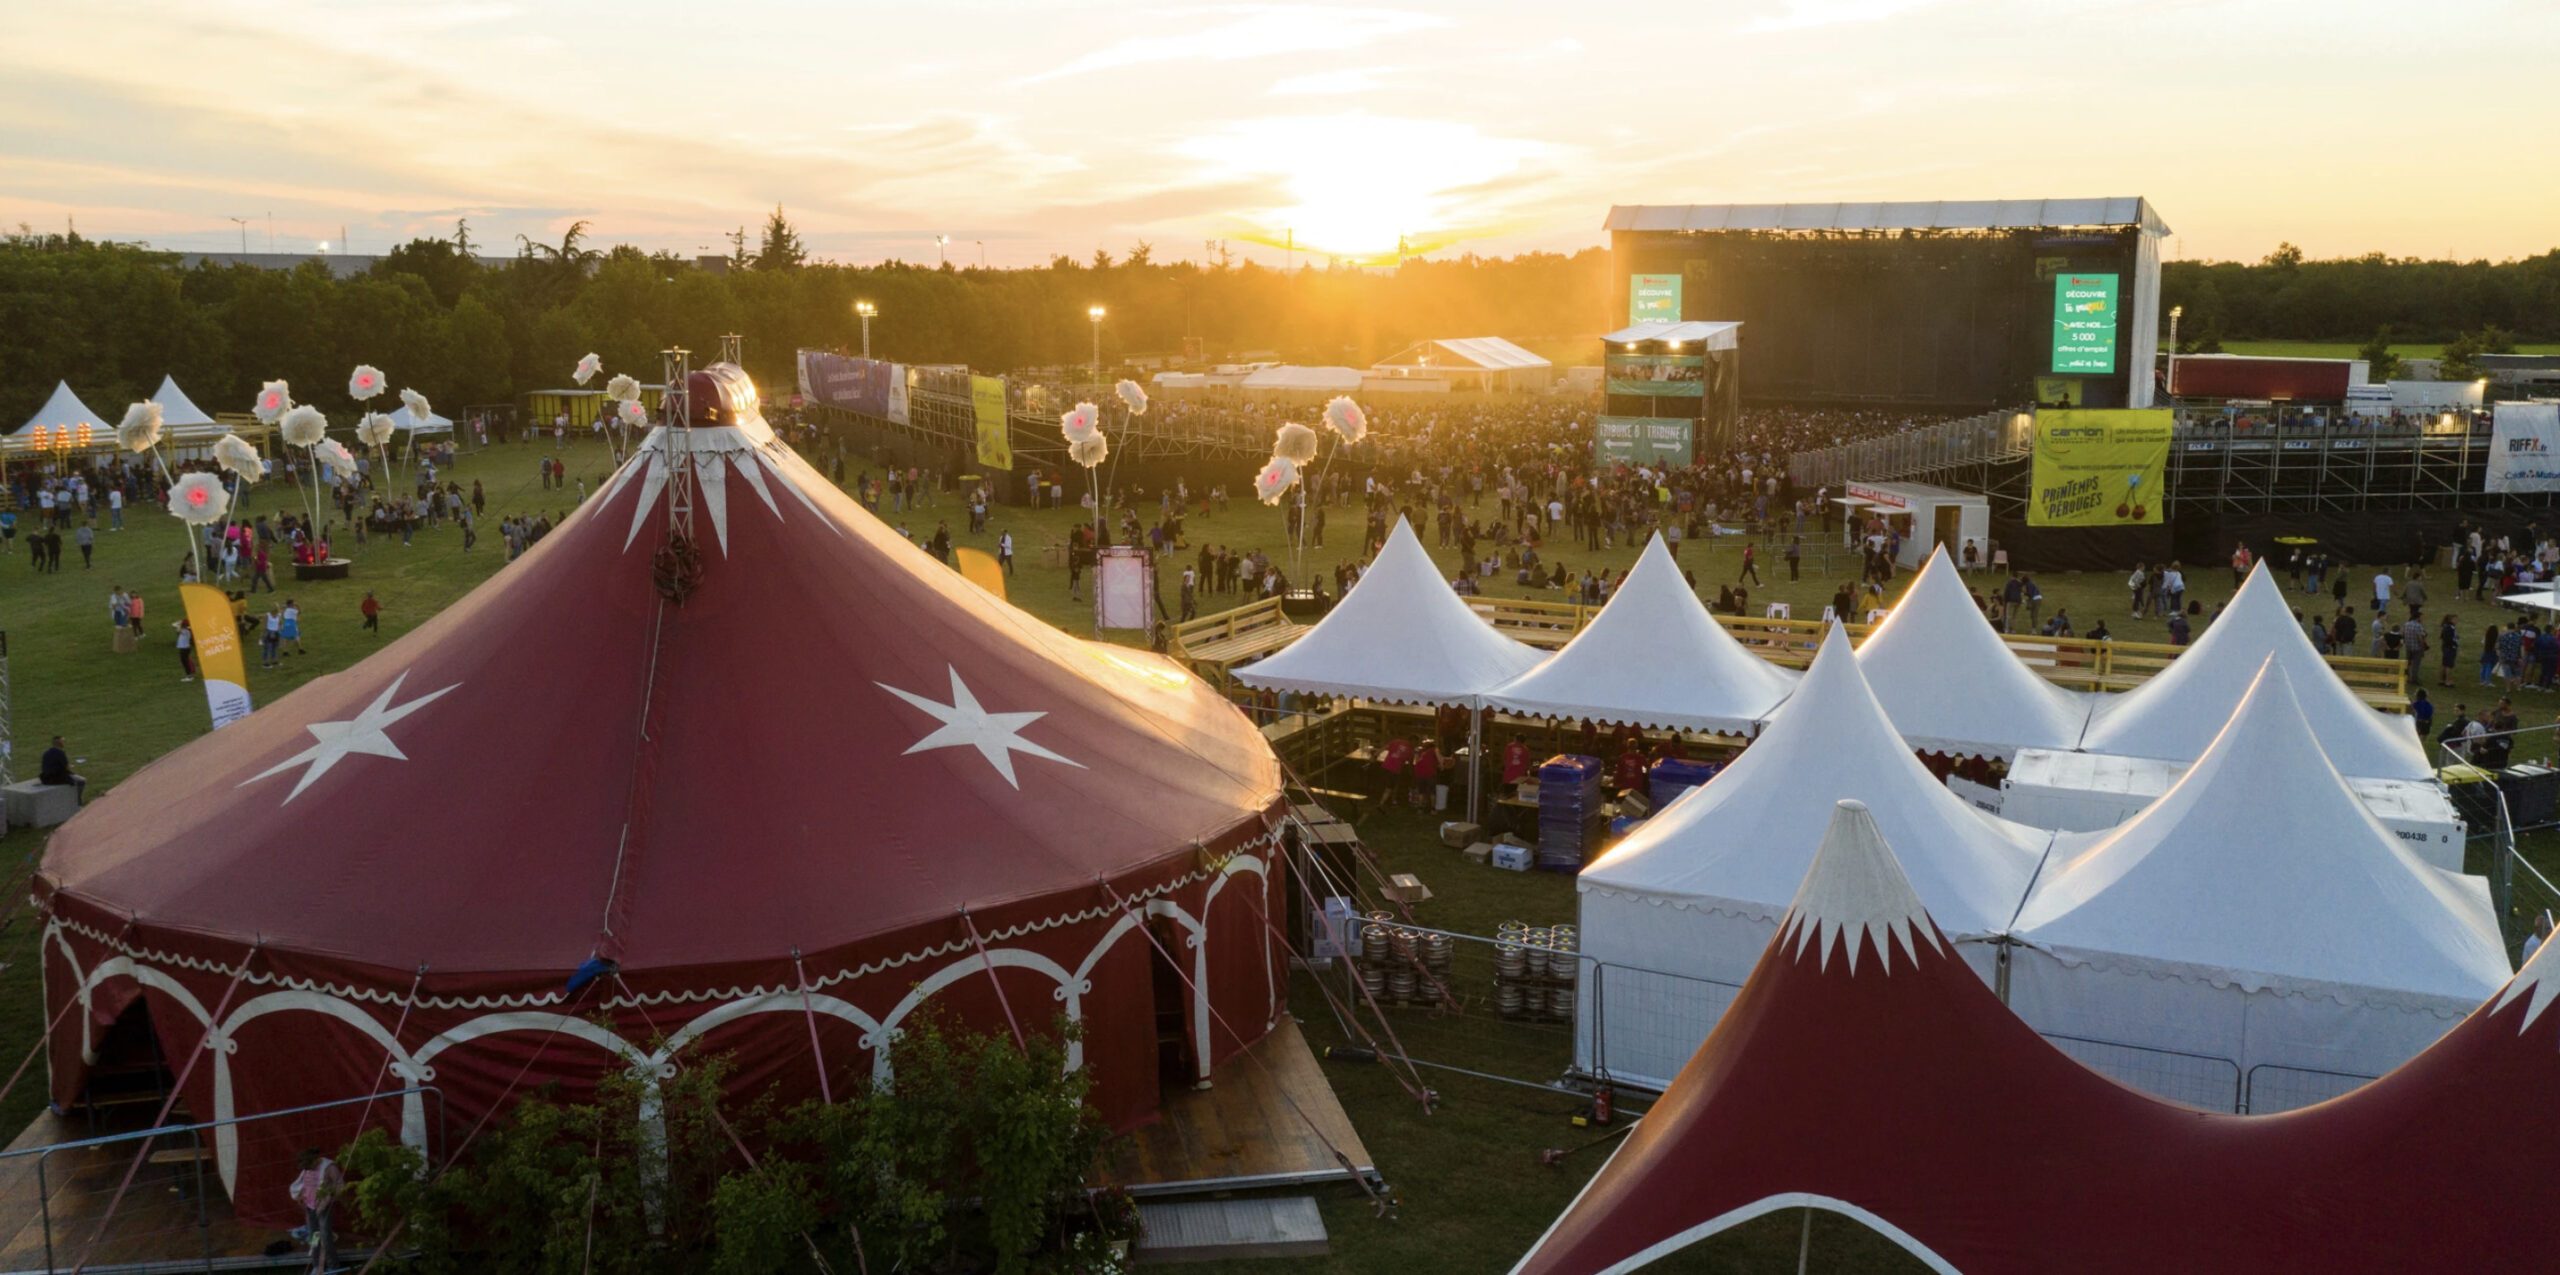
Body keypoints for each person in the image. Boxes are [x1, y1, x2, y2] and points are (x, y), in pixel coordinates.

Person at [288, 1147, 342, 1268]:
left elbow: (339, 1185)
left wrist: (330, 1196)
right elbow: (305, 1183)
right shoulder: (308, 1167)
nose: (309, 1169)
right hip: (310, 1206)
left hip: (323, 1207)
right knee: (314, 1235)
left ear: (315, 1160)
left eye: (309, 1166)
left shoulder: (329, 1167)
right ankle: (317, 1265)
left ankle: (333, 1266)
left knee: (325, 1236)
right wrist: (301, 1195)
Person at [38, 736, 84, 805]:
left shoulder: (46, 753)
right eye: (63, 741)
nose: (64, 743)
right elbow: (66, 768)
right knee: (81, 781)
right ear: (60, 743)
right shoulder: (60, 753)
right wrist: (71, 769)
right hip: (57, 778)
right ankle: (78, 802)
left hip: (46, 778)